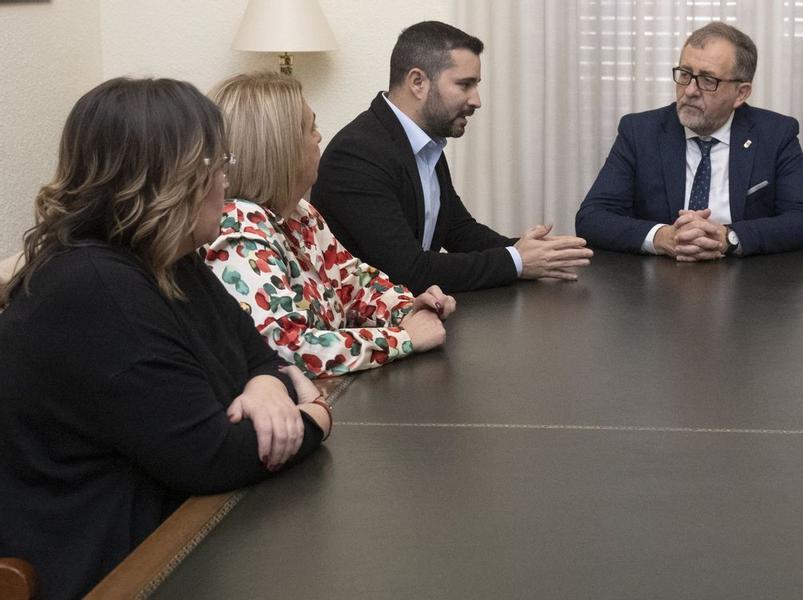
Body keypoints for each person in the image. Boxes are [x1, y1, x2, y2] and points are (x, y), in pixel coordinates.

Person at [0, 78, 331, 599]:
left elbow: (261, 355)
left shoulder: (170, 256)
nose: (226, 180)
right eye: (216, 165)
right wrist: (316, 416)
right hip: (114, 569)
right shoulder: (94, 287)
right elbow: (214, 455)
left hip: (186, 533)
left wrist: (267, 386)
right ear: (167, 179)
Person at [311, 21, 592, 293]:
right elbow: (409, 271)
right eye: (465, 85)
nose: (476, 100)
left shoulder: (423, 140)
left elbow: (459, 231)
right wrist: (517, 261)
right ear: (418, 82)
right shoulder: (357, 154)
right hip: (370, 329)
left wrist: (533, 251)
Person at [206, 72, 454, 379]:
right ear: (280, 148)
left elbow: (353, 284)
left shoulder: (300, 212)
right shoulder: (238, 229)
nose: (319, 137)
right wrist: (403, 339)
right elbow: (286, 349)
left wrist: (408, 307)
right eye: (311, 128)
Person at [575, 22, 803, 260]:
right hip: (655, 284)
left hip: (747, 286)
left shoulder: (775, 134)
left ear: (741, 93)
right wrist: (662, 237)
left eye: (708, 80)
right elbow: (592, 217)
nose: (690, 90)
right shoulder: (640, 132)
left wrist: (728, 238)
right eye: (685, 74)